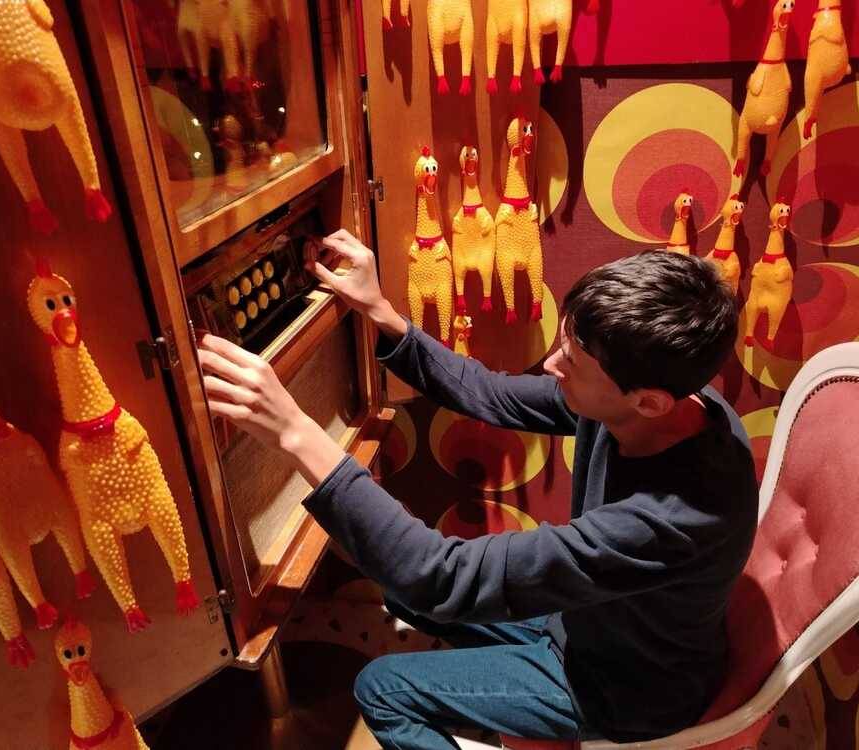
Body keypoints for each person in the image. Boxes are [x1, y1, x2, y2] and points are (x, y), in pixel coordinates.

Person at [196, 229, 759, 748]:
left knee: (383, 689)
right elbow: (493, 393)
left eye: (572, 361)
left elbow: (439, 576)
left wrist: (295, 433)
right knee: (400, 592)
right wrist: (381, 313)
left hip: (624, 686)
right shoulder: (664, 401)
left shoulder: (673, 517)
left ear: (648, 402)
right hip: (591, 623)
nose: (553, 365)